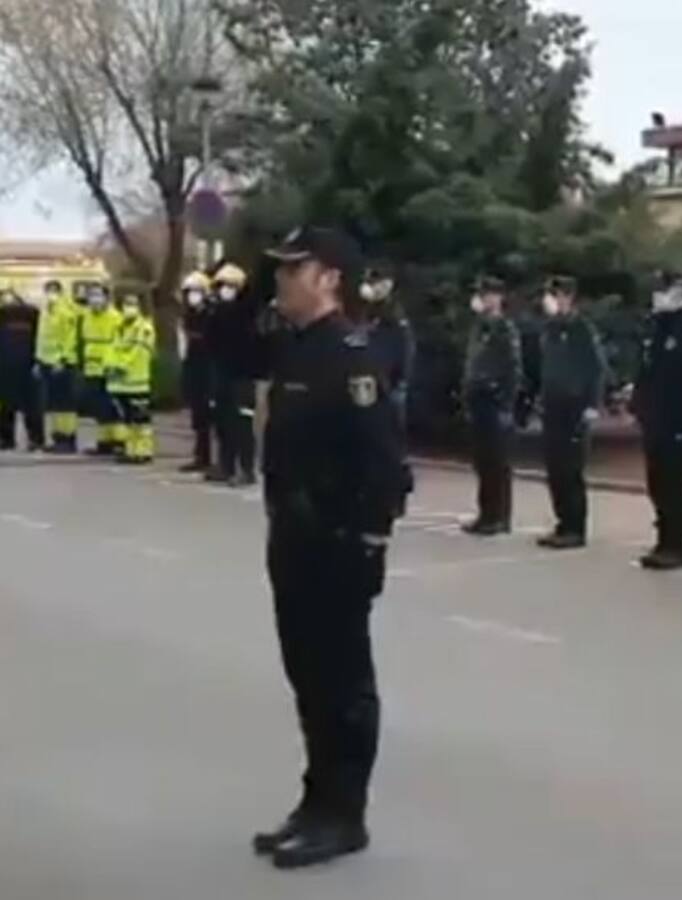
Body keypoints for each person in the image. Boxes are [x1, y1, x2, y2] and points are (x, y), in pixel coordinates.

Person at [251, 227, 404, 870]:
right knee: (307, 679)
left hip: (338, 545)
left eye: (295, 269)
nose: (282, 279)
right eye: (280, 269)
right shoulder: (296, 349)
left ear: (330, 278)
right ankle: (316, 802)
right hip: (293, 538)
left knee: (342, 684)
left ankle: (345, 815)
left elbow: (385, 465)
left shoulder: (352, 356)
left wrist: (369, 542)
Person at [631, 269, 682, 570]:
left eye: (663, 292)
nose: (657, 297)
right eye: (656, 292)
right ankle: (663, 540)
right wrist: (638, 406)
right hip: (654, 419)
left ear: (680, 295)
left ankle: (678, 546)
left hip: (679, 421)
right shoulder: (654, 330)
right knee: (658, 483)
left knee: (676, 484)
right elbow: (645, 374)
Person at [536, 275, 606, 549]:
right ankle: (562, 523)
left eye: (555, 295)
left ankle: (575, 528)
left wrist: (591, 404)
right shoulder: (551, 329)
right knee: (554, 468)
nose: (549, 301)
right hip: (553, 405)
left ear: (567, 298)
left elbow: (596, 369)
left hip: (575, 407)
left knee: (571, 468)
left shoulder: (582, 329)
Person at [461, 275, 522, 536]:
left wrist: (506, 403)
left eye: (487, 294)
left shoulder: (502, 328)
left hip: (495, 400)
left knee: (497, 462)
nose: (482, 299)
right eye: (480, 294)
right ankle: (486, 513)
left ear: (498, 298)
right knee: (483, 461)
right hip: (477, 398)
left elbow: (512, 368)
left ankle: (499, 516)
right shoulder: (480, 327)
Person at [359, 264, 415, 517]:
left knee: (393, 446)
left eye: (378, 281)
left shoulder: (394, 314)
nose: (373, 286)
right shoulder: (368, 311)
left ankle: (397, 497)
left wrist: (399, 381)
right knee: (373, 444)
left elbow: (403, 351)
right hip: (370, 382)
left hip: (390, 385)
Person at [208, 263, 257, 486]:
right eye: (221, 286)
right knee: (223, 421)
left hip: (243, 376)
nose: (224, 290)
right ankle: (225, 466)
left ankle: (246, 469)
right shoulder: (218, 312)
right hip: (223, 373)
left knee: (242, 423)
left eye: (229, 286)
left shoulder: (247, 313)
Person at [107, 294, 157, 464]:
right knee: (127, 420)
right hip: (121, 383)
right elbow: (112, 348)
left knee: (141, 420)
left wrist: (122, 366)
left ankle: (143, 451)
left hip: (137, 381)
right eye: (126, 304)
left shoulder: (144, 328)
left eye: (132, 304)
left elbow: (139, 352)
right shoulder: (119, 327)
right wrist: (110, 365)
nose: (128, 308)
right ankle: (130, 450)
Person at [36, 280, 81, 454]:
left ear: (61, 292)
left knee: (65, 404)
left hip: (62, 364)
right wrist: (39, 361)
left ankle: (68, 439)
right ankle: (58, 437)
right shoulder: (47, 311)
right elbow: (42, 338)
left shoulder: (65, 312)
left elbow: (69, 339)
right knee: (54, 404)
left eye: (53, 291)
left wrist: (63, 360)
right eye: (47, 291)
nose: (50, 295)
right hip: (47, 362)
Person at [78, 284, 123, 455]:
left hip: (109, 366)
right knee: (99, 407)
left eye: (98, 295)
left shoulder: (115, 317)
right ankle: (104, 442)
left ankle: (118, 440)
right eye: (92, 296)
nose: (95, 300)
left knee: (112, 406)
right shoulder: (87, 316)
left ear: (106, 298)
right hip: (92, 367)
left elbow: (120, 342)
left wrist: (116, 364)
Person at [0, 285, 45, 450]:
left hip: (26, 366)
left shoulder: (31, 315)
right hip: (10, 366)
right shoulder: (6, 315)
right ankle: (9, 439)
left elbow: (41, 338)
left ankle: (34, 439)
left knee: (30, 407)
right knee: (7, 406)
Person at [180, 271, 216, 473]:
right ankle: (201, 456)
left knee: (212, 418)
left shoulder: (210, 314)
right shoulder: (190, 314)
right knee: (198, 417)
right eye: (189, 292)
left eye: (196, 292)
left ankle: (213, 458)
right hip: (194, 368)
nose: (192, 296)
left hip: (208, 369)